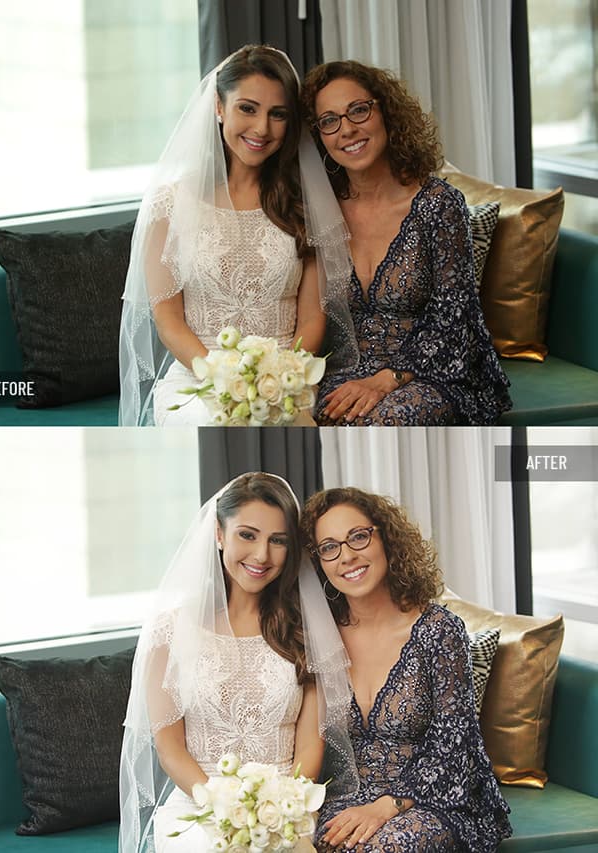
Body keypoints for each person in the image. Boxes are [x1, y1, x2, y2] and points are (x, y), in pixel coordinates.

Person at [119, 46, 356, 426]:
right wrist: (222, 382)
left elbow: (312, 320)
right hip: (196, 378)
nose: (262, 128)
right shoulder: (170, 204)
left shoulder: (303, 205)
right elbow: (169, 320)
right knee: (214, 423)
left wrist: (278, 378)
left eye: (277, 114)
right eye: (248, 108)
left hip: (284, 381)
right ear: (218, 107)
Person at [118, 473, 356, 853]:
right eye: (247, 535)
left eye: (277, 541)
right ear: (218, 533)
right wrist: (224, 810)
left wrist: (276, 809)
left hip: (286, 808)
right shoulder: (171, 631)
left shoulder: (303, 632)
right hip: (198, 806)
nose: (262, 555)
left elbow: (310, 750)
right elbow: (170, 749)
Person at [300, 486, 512, 852]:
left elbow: (454, 741)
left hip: (436, 797)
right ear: (317, 560)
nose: (347, 556)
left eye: (358, 537)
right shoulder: (318, 636)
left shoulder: (438, 630)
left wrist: (387, 807)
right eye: (330, 547)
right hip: (347, 798)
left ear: (386, 539)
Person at [301, 61, 512, 426]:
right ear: (318, 135)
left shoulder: (438, 203)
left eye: (358, 110)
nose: (347, 129)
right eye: (329, 120)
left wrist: (387, 380)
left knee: (384, 421)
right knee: (309, 418)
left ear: (386, 111)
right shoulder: (317, 211)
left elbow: (453, 314)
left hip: (435, 371)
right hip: (346, 371)